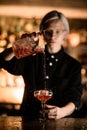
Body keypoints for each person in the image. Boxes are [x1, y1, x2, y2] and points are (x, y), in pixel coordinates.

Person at [0, 10, 82, 120]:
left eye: (58, 31)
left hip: (61, 122)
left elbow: (76, 98)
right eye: (49, 31)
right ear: (42, 33)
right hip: (28, 119)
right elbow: (3, 61)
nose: (53, 36)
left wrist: (63, 111)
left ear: (65, 34)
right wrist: (19, 45)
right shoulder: (30, 57)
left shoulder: (73, 65)